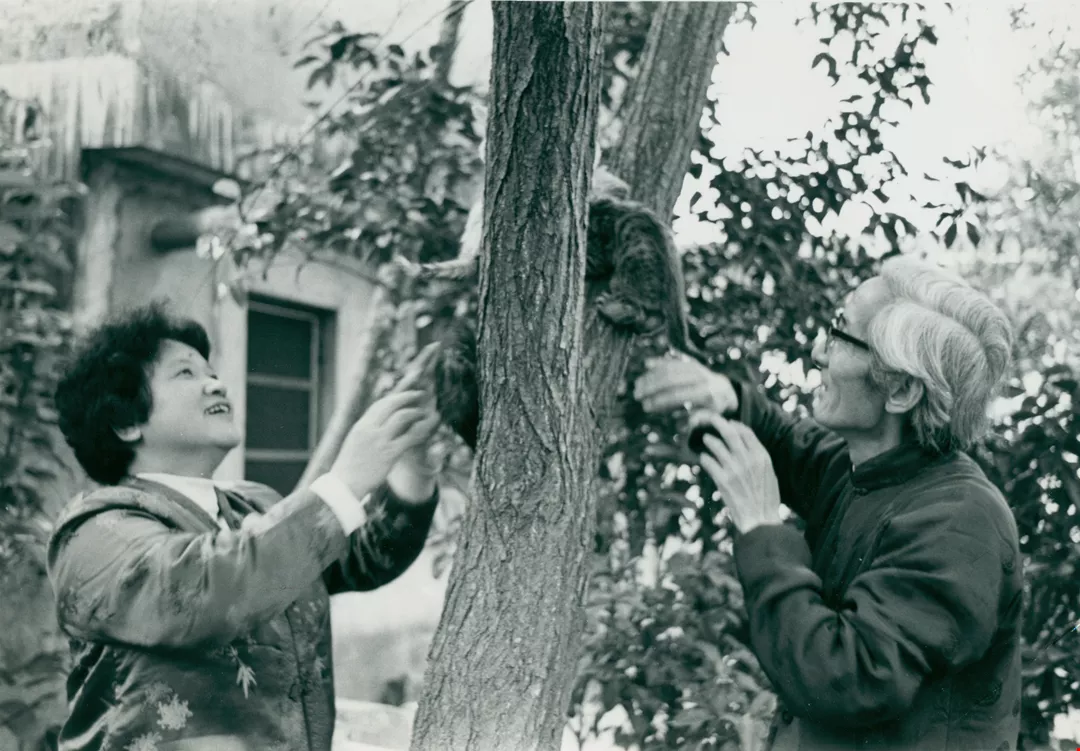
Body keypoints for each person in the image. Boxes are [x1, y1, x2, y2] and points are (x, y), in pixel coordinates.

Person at [634, 256, 1022, 751]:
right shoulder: (865, 464)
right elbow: (792, 445)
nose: (819, 351)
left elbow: (845, 678)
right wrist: (726, 395)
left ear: (902, 389)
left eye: (840, 334)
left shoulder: (961, 521)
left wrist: (761, 526)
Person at [48, 303, 442, 751]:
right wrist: (346, 481)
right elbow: (204, 588)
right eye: (185, 373)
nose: (216, 384)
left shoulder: (253, 504)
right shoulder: (93, 532)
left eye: (212, 372)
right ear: (125, 422)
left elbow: (364, 558)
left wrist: (412, 463)